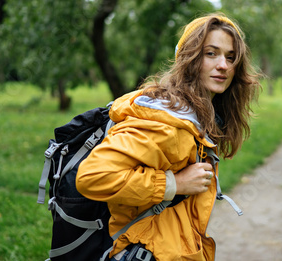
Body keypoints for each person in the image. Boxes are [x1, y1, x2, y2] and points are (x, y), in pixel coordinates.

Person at [76, 13, 261, 261]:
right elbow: (93, 177)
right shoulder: (166, 121)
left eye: (230, 57)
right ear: (189, 58)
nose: (223, 65)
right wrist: (175, 184)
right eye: (211, 53)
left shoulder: (194, 118)